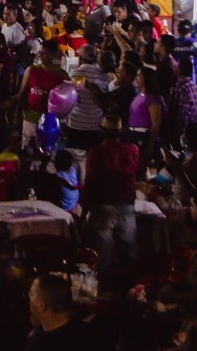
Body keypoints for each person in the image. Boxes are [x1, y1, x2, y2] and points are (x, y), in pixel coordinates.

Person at [81, 115, 138, 275]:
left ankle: (102, 286)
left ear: (102, 132)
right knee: (129, 256)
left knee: (101, 258)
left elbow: (90, 183)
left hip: (103, 209)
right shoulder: (132, 150)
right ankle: (131, 285)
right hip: (127, 208)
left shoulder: (97, 153)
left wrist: (84, 213)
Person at [24, 272, 90, 349]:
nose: (29, 298)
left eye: (31, 294)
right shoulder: (90, 332)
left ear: (41, 305)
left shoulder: (37, 345)